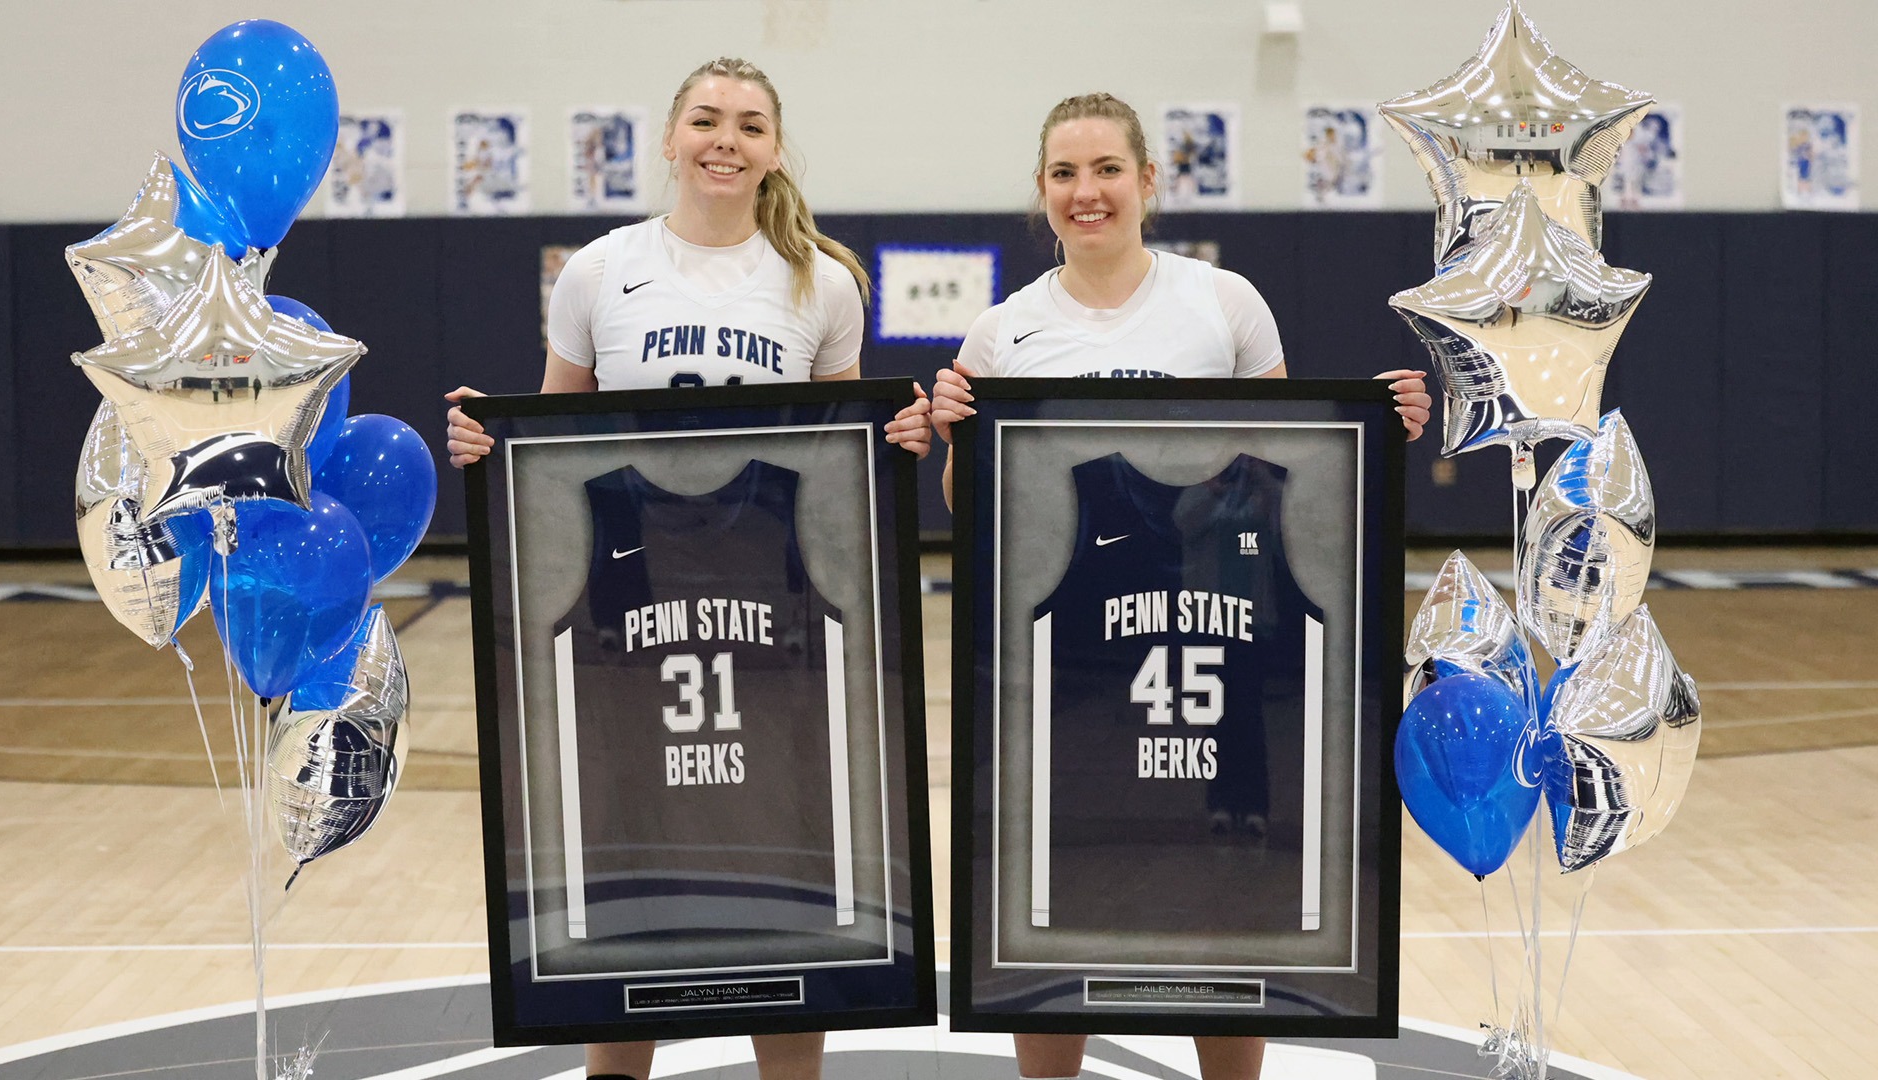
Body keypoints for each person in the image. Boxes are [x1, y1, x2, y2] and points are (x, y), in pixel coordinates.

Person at [445, 56, 931, 1080]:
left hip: (776, 626)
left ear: (775, 150)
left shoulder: (823, 282)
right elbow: (554, 443)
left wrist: (904, 440)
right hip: (629, 619)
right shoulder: (599, 271)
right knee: (634, 868)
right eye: (706, 120)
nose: (726, 140)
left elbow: (842, 462)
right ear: (668, 138)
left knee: (784, 874)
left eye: (750, 125)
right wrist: (492, 450)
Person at [929, 92, 1431, 1080]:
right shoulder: (1002, 332)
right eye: (1066, 174)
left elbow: (1292, 471)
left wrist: (1378, 432)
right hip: (1069, 649)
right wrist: (954, 436)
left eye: (1108, 169)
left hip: (1209, 620)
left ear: (1148, 181)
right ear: (1042, 192)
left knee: (1217, 900)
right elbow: (966, 509)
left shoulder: (1224, 302)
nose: (1088, 192)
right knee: (1057, 885)